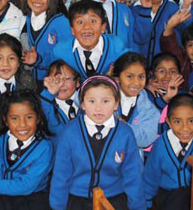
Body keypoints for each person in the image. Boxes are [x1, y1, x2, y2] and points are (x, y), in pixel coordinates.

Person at [50, 75, 145, 210]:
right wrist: (57, 206)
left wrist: (138, 207)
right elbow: (61, 175)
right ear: (82, 104)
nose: (98, 108)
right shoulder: (69, 132)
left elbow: (133, 176)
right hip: (77, 200)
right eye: (91, 101)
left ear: (116, 103)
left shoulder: (125, 133)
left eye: (106, 101)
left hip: (114, 199)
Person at [24, 0, 128, 81]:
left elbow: (130, 63)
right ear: (72, 30)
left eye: (93, 21)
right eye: (80, 22)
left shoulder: (116, 45)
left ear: (103, 27)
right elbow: (49, 60)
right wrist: (36, 59)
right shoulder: (63, 48)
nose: (87, 27)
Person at [0, 90, 54, 209]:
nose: (22, 124)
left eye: (29, 117)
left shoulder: (44, 148)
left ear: (38, 118)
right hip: (0, 197)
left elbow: (27, 185)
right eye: (14, 118)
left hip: (31, 200)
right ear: (6, 120)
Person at [143, 94, 193, 209]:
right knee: (179, 198)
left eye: (191, 121)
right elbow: (150, 178)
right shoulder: (160, 145)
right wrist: (146, 203)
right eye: (177, 122)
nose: (185, 128)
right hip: (168, 195)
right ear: (168, 122)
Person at [20, 0, 71, 85]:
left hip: (56, 84)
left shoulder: (62, 22)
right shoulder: (27, 18)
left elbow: (65, 57)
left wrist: (39, 59)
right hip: (31, 82)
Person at [111, 52, 161, 151]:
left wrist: (123, 127)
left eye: (141, 77)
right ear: (117, 78)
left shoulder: (151, 111)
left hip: (132, 163)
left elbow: (146, 139)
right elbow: (81, 99)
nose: (136, 83)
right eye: (130, 76)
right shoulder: (104, 98)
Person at [132, 0, 179, 64]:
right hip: (138, 69)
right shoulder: (131, 11)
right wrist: (146, 10)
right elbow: (140, 38)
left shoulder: (174, 10)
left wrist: (186, 7)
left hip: (164, 70)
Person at [39, 60, 81, 147]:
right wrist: (49, 93)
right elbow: (38, 113)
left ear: (77, 82)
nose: (61, 84)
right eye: (56, 79)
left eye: (67, 79)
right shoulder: (46, 105)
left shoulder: (86, 103)